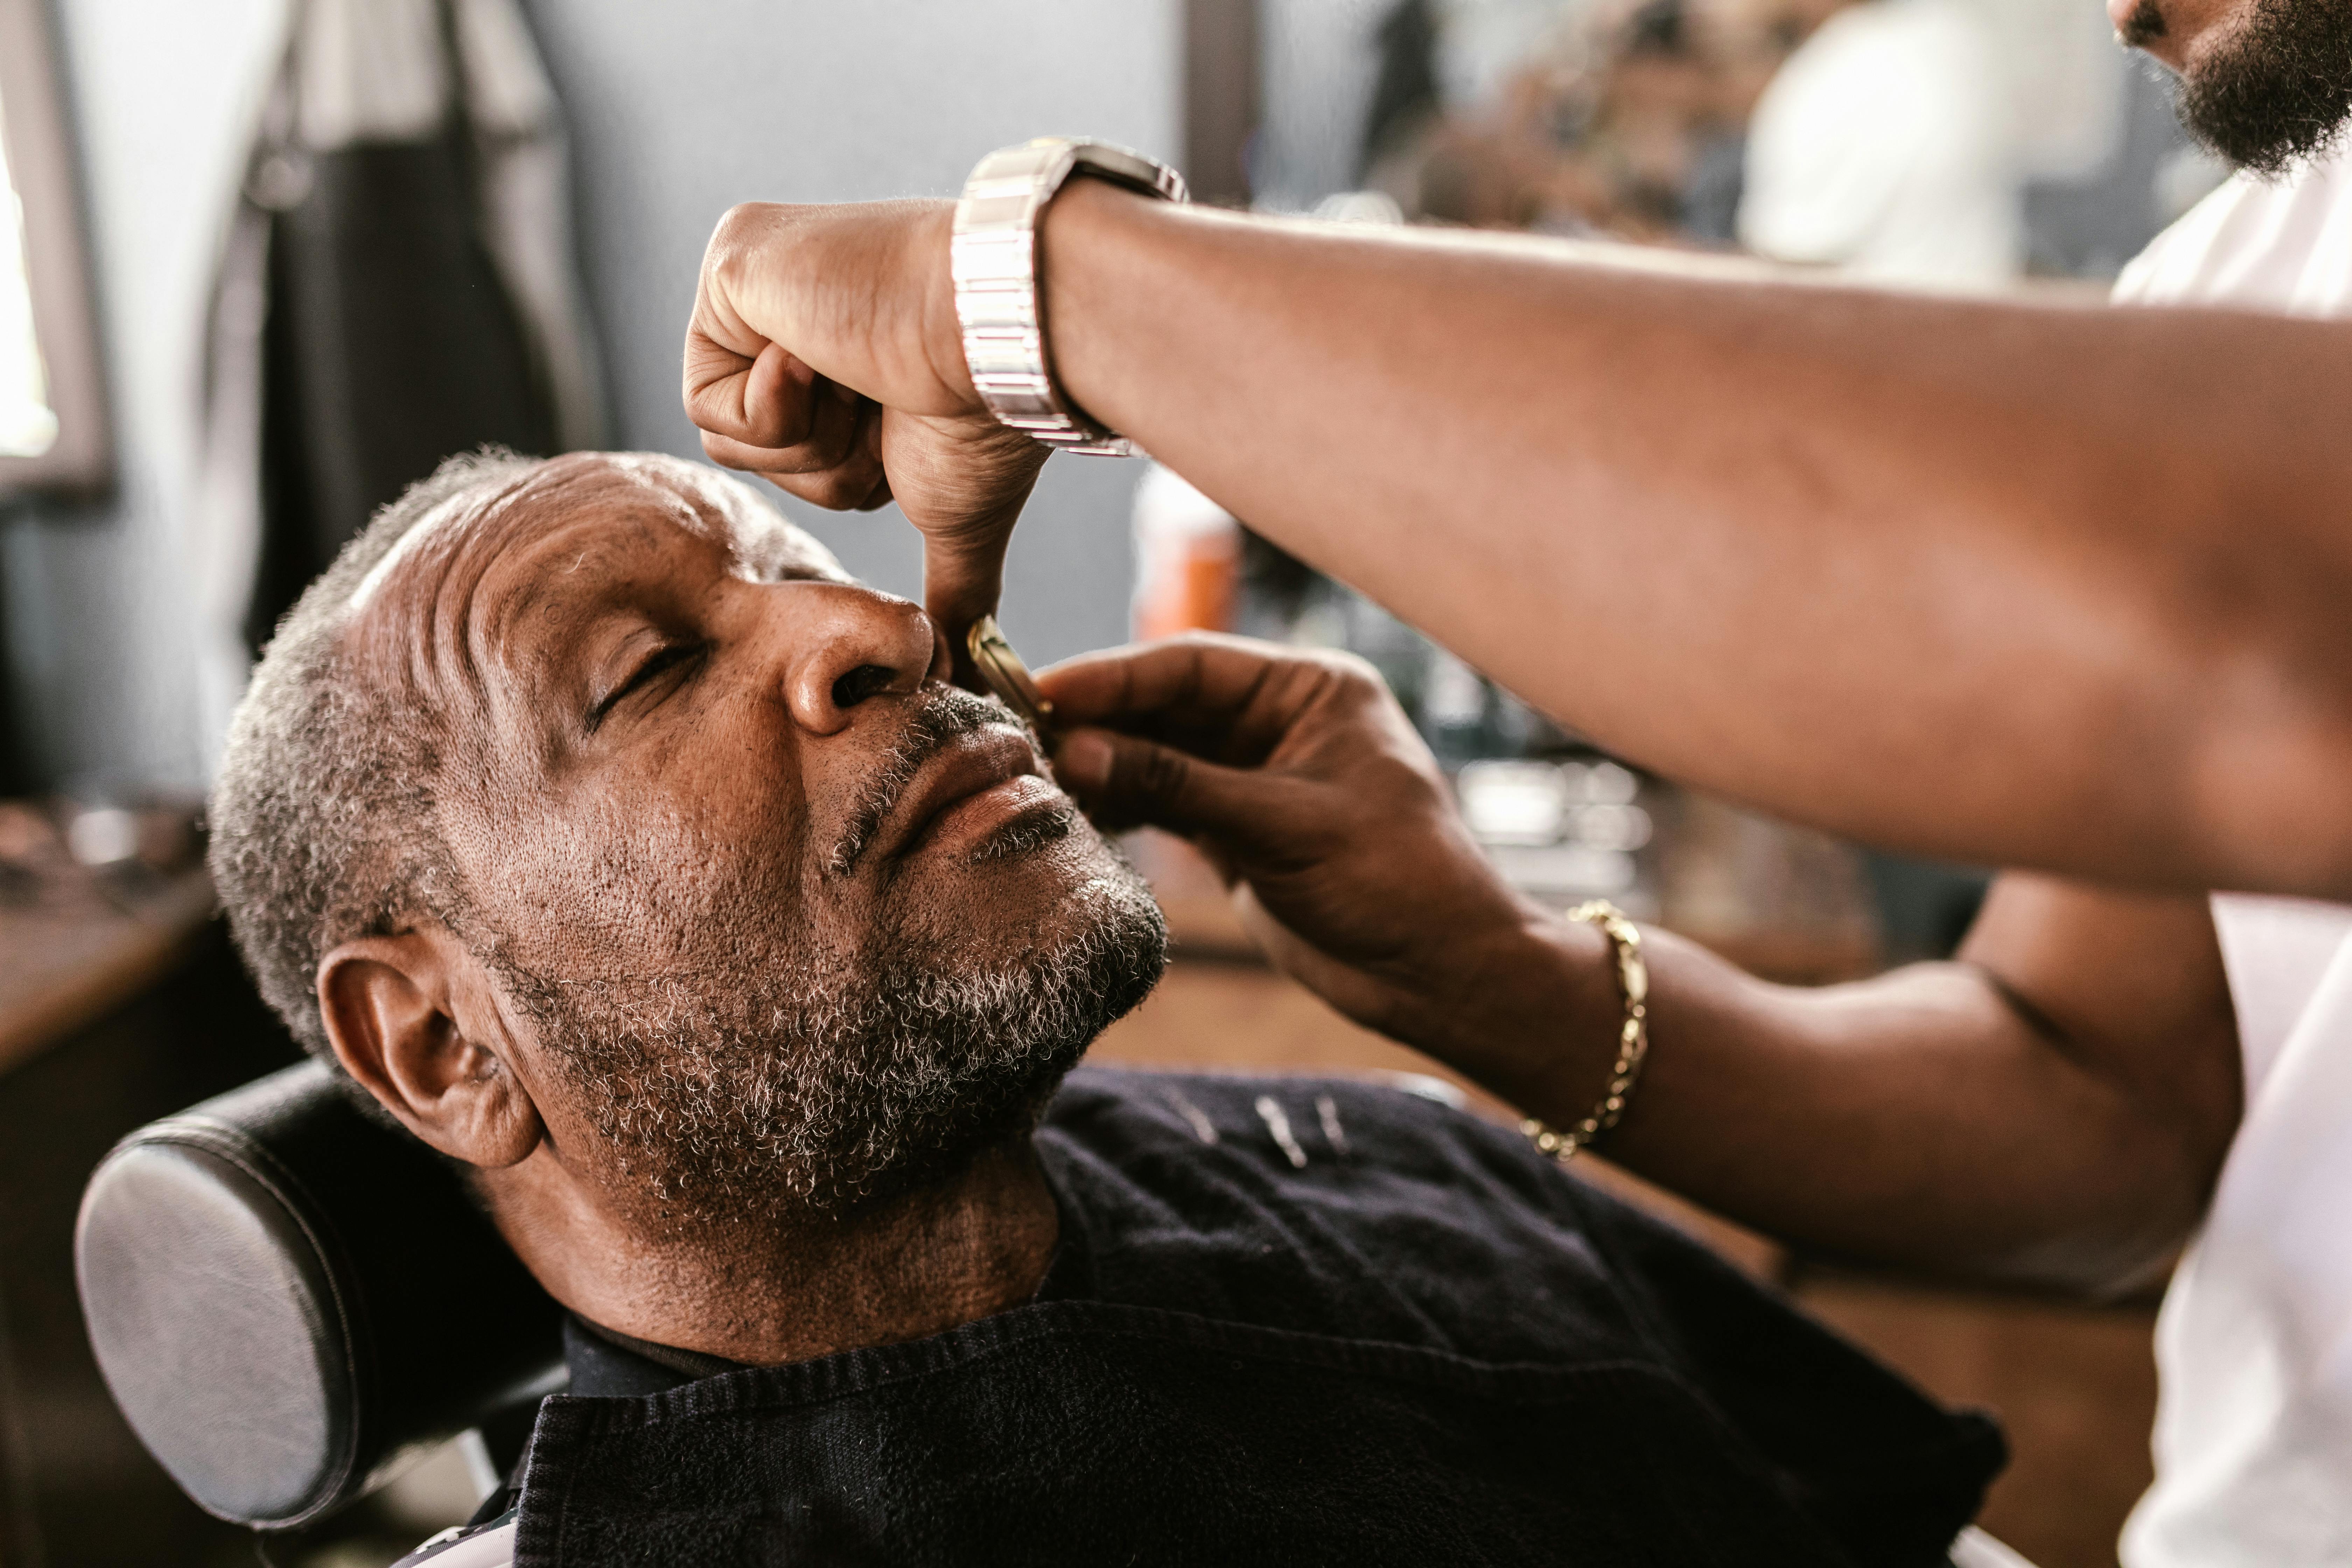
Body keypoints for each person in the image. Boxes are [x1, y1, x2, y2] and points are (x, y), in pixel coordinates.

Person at [671, 0, 2352, 1559]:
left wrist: (1036, 280)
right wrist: (1497, 976)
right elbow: (2117, 1109)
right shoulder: (2257, 253)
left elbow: (2279, 642)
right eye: (649, 665)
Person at [205, 449, 2008, 1567]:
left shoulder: (1374, 1149)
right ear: (440, 1042)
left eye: (792, 562)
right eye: (653, 666)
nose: (876, 623)